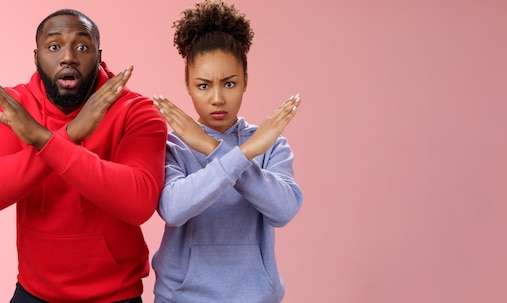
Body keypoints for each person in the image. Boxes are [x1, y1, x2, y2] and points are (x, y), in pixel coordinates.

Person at [0, 9, 168, 303]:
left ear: (98, 55)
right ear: (36, 56)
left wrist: (42, 139)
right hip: (33, 293)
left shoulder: (136, 111)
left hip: (116, 296)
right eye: (54, 47)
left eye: (82, 46)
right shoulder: (16, 108)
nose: (68, 57)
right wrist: (70, 135)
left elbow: (139, 202)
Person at [150, 0, 303, 302]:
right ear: (188, 86)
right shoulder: (175, 145)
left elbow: (283, 211)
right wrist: (240, 154)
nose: (217, 98)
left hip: (254, 296)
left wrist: (214, 148)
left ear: (246, 81)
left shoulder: (268, 142)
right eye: (204, 86)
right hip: (180, 296)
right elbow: (173, 209)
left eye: (229, 83)